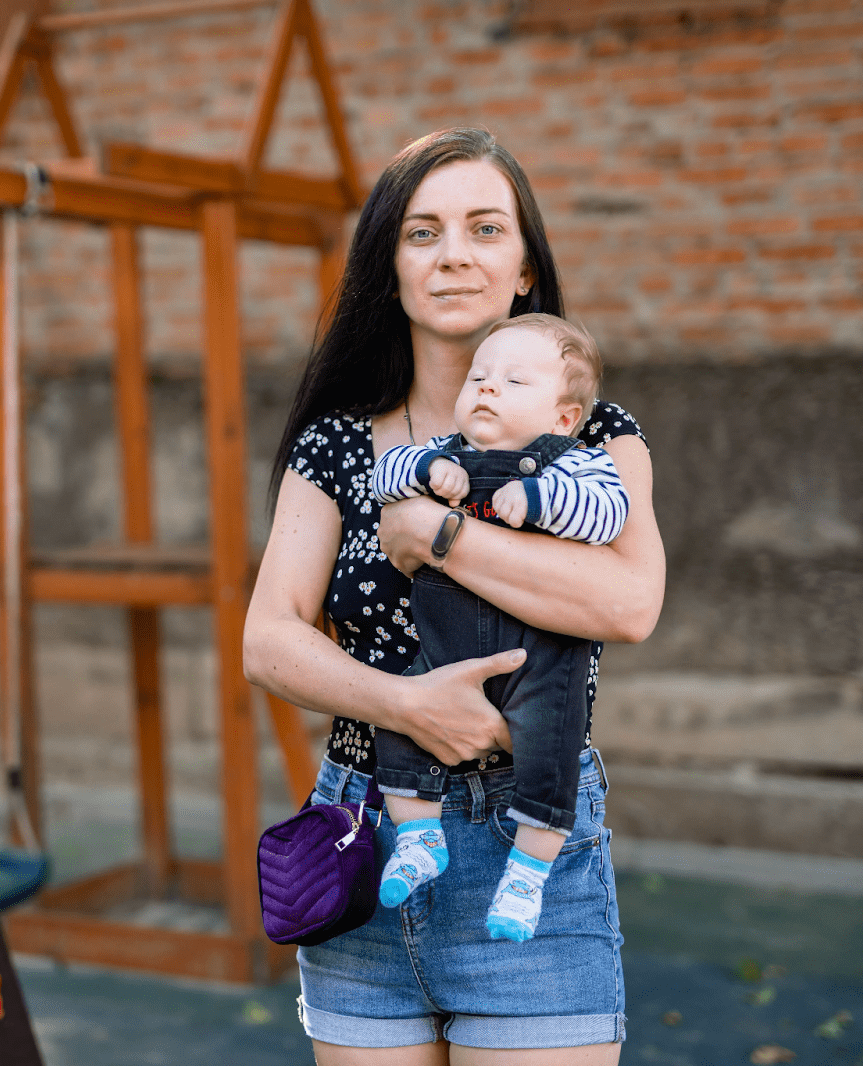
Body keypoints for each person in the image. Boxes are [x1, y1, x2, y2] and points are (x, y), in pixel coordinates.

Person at [243, 127, 665, 1062]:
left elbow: (630, 602)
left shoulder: (590, 434)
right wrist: (407, 705)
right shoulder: (337, 444)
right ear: (389, 266)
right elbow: (267, 641)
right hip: (370, 830)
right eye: (422, 233)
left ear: (524, 268)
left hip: (531, 841)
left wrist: (438, 534)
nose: (454, 255)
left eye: (485, 228)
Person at [366, 315, 629, 943]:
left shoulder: (579, 464)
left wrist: (539, 501)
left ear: (563, 418)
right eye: (478, 376)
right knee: (397, 721)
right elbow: (383, 477)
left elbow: (608, 515)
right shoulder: (444, 452)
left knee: (552, 750)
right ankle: (419, 838)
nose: (487, 387)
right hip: (444, 651)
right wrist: (426, 473)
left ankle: (527, 876)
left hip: (539, 661)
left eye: (513, 381)